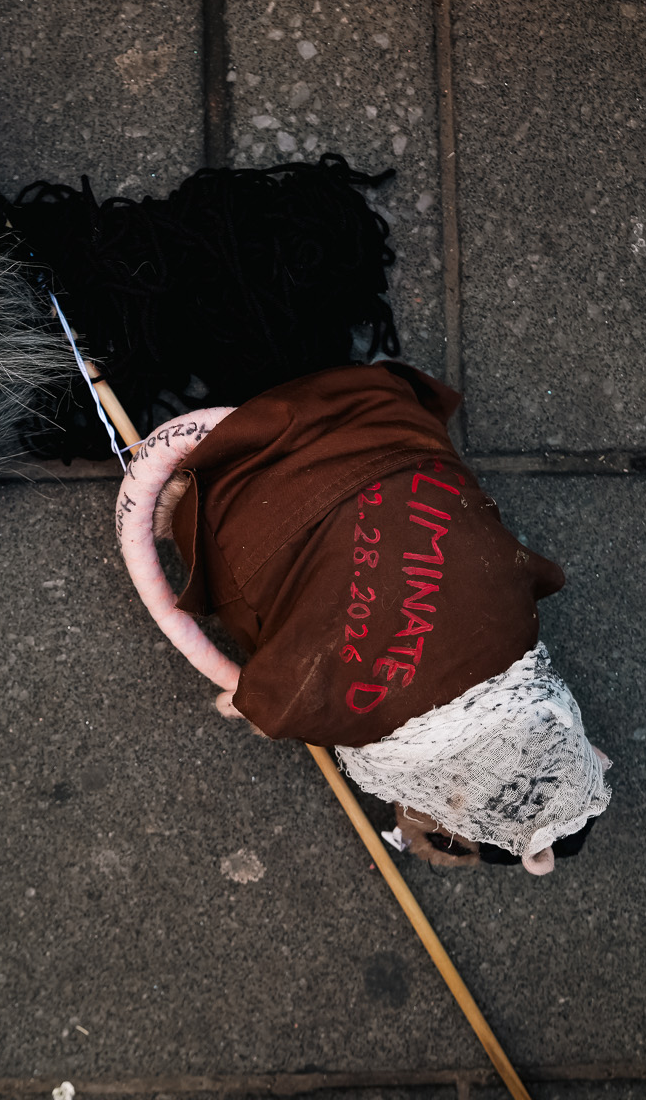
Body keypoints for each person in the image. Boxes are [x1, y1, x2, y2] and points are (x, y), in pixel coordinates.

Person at [115, 362, 611, 872]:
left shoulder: (519, 621)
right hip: (238, 487)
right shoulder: (352, 715)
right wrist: (255, 704)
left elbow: (509, 562)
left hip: (369, 408)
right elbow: (269, 697)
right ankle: (203, 496)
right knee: (260, 598)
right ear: (455, 813)